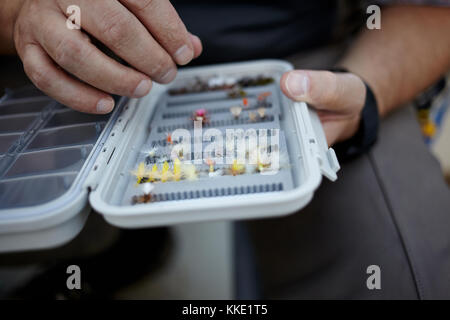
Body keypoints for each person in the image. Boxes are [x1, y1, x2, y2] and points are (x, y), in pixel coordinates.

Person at [0, 0, 449, 299]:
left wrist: (361, 97)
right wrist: (21, 12)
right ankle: (120, 248)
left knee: (400, 275)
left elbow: (432, 12)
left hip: (308, 54)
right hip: (69, 60)